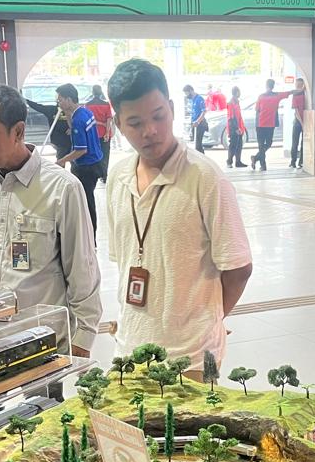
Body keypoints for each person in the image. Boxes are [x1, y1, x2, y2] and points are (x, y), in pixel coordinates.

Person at [104, 58, 253, 370]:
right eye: (135, 123)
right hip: (130, 350)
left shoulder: (204, 177)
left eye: (159, 116)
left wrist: (207, 323)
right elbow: (124, 259)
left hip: (194, 357)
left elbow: (238, 268)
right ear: (118, 124)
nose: (151, 131)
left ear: (171, 108)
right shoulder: (117, 177)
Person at [0, 83, 101, 360]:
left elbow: (83, 270)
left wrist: (82, 340)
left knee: (42, 406)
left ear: (18, 131)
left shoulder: (62, 188)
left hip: (41, 345)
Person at [55, 84, 105, 237]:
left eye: (61, 100)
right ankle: (89, 235)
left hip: (86, 167)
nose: (59, 103)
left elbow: (81, 149)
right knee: (86, 201)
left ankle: (91, 238)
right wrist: (68, 114)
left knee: (86, 203)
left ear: (69, 99)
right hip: (97, 162)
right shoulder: (84, 112)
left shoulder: (78, 120)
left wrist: (61, 161)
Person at [251, 79, 291, 172]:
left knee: (262, 145)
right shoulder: (276, 96)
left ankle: (256, 158)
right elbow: (290, 92)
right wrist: (301, 89)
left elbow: (257, 110)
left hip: (261, 124)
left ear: (266, 85)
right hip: (269, 124)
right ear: (273, 86)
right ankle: (262, 165)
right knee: (268, 144)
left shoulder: (261, 97)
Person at [85, 84, 113, 180]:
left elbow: (89, 120)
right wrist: (107, 132)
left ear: (92, 92)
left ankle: (97, 173)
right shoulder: (106, 104)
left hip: (93, 134)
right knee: (105, 154)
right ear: (101, 92)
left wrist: (100, 123)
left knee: (95, 154)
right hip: (105, 134)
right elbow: (109, 119)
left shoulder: (88, 105)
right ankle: (104, 175)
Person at [288, 77, 308, 171]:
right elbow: (297, 112)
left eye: (298, 85)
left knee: (295, 142)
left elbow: (296, 112)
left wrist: (302, 123)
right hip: (302, 121)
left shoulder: (297, 95)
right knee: (300, 143)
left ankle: (294, 162)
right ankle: (299, 162)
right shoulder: (304, 94)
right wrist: (303, 123)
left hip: (299, 122)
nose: (297, 86)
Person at [182, 84, 208, 153]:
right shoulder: (192, 100)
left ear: (191, 91)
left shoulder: (199, 99)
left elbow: (204, 111)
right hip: (194, 125)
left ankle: (202, 160)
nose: (186, 95)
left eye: (186, 93)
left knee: (198, 145)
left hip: (200, 124)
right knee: (196, 145)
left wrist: (198, 121)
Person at [226, 86, 247, 169]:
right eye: (239, 92)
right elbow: (231, 118)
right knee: (233, 145)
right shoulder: (231, 103)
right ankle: (229, 162)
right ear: (236, 92)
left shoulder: (236, 102)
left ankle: (238, 161)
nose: (240, 93)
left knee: (239, 145)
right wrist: (236, 128)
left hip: (239, 127)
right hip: (234, 128)